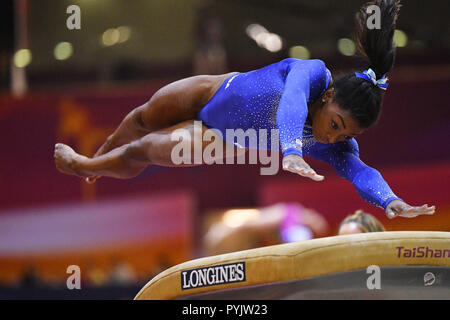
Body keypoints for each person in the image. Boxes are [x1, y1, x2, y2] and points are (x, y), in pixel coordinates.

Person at [54, 0, 434, 220]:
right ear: (328, 94)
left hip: (221, 138)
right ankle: (100, 155)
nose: (333, 137)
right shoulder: (313, 73)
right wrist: (290, 149)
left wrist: (391, 201)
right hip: (218, 86)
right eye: (335, 124)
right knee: (141, 117)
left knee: (146, 149)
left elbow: (362, 172)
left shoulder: (337, 147)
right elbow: (290, 101)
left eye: (345, 135)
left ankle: (87, 166)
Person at [202, 203, 329, 255]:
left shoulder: (297, 223)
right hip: (278, 219)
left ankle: (223, 229)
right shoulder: (290, 213)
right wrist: (227, 229)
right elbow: (251, 222)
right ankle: (222, 229)